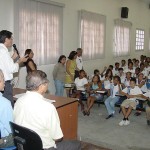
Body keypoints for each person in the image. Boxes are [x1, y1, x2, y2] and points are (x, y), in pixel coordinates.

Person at [13, 70, 81, 150]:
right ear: (41, 86)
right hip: (44, 147)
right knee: (77, 144)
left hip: (25, 146)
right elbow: (57, 138)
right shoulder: (48, 107)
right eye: (46, 83)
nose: (47, 85)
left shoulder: (18, 101)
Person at [0, 30, 28, 107]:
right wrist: (20, 61)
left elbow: (4, 65)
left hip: (1, 81)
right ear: (6, 39)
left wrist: (13, 57)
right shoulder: (4, 51)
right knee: (8, 104)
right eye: (11, 38)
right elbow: (11, 69)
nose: (12, 40)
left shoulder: (1, 50)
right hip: (5, 83)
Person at [0, 69, 14, 148]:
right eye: (2, 79)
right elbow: (11, 129)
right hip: (3, 140)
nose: (4, 82)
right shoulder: (5, 103)